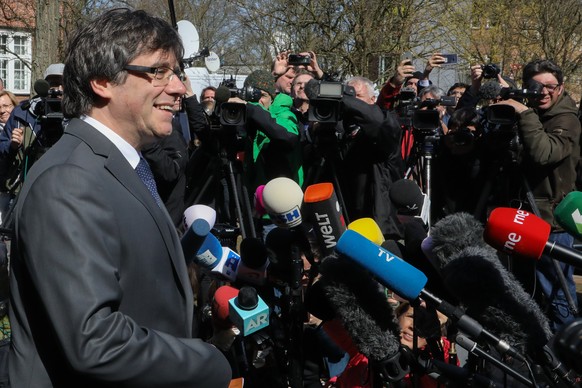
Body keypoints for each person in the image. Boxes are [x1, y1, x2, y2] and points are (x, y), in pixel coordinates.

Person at [8, 8, 231, 387]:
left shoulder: (124, 165)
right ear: (102, 82)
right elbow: (95, 342)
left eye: (175, 72)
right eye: (158, 72)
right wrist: (208, 362)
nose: (178, 87)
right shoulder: (69, 180)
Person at [495, 59, 581, 333]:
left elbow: (544, 154)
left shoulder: (566, 119)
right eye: (536, 86)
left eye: (550, 87)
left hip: (550, 221)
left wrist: (523, 112)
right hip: (523, 215)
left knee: (556, 292)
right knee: (524, 289)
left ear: (561, 88)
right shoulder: (533, 113)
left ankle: (568, 354)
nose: (543, 92)